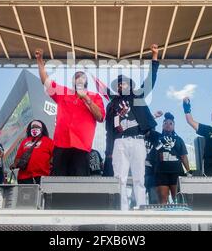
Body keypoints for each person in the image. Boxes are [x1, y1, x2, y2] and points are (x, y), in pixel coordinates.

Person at [105, 44, 159, 210]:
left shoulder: (138, 96)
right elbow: (109, 130)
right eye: (119, 85)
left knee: (139, 177)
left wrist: (154, 57)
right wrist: (108, 152)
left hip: (138, 140)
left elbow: (150, 80)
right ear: (117, 88)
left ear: (130, 85)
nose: (122, 86)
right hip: (119, 142)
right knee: (119, 178)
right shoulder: (112, 104)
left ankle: (141, 207)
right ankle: (122, 210)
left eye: (125, 83)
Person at [35, 48, 105, 176]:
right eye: (76, 77)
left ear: (86, 82)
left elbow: (100, 116)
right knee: (59, 180)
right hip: (61, 143)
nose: (79, 79)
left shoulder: (94, 96)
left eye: (82, 77)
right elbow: (46, 82)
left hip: (82, 145)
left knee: (79, 182)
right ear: (72, 81)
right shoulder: (63, 92)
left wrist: (86, 99)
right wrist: (40, 62)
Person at [148, 112, 192, 204]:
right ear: (162, 125)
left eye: (170, 123)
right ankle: (164, 218)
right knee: (163, 200)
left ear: (174, 126)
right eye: (165, 123)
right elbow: (146, 126)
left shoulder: (179, 139)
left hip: (176, 172)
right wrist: (154, 116)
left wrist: (188, 171)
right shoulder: (156, 136)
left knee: (178, 199)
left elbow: (183, 156)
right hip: (161, 172)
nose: (168, 125)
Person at [10, 120, 54, 184]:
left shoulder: (49, 141)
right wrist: (15, 164)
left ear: (42, 129)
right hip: (24, 177)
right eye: (33, 127)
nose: (34, 128)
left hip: (43, 176)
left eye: (37, 127)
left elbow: (54, 156)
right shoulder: (24, 141)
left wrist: (50, 165)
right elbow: (18, 157)